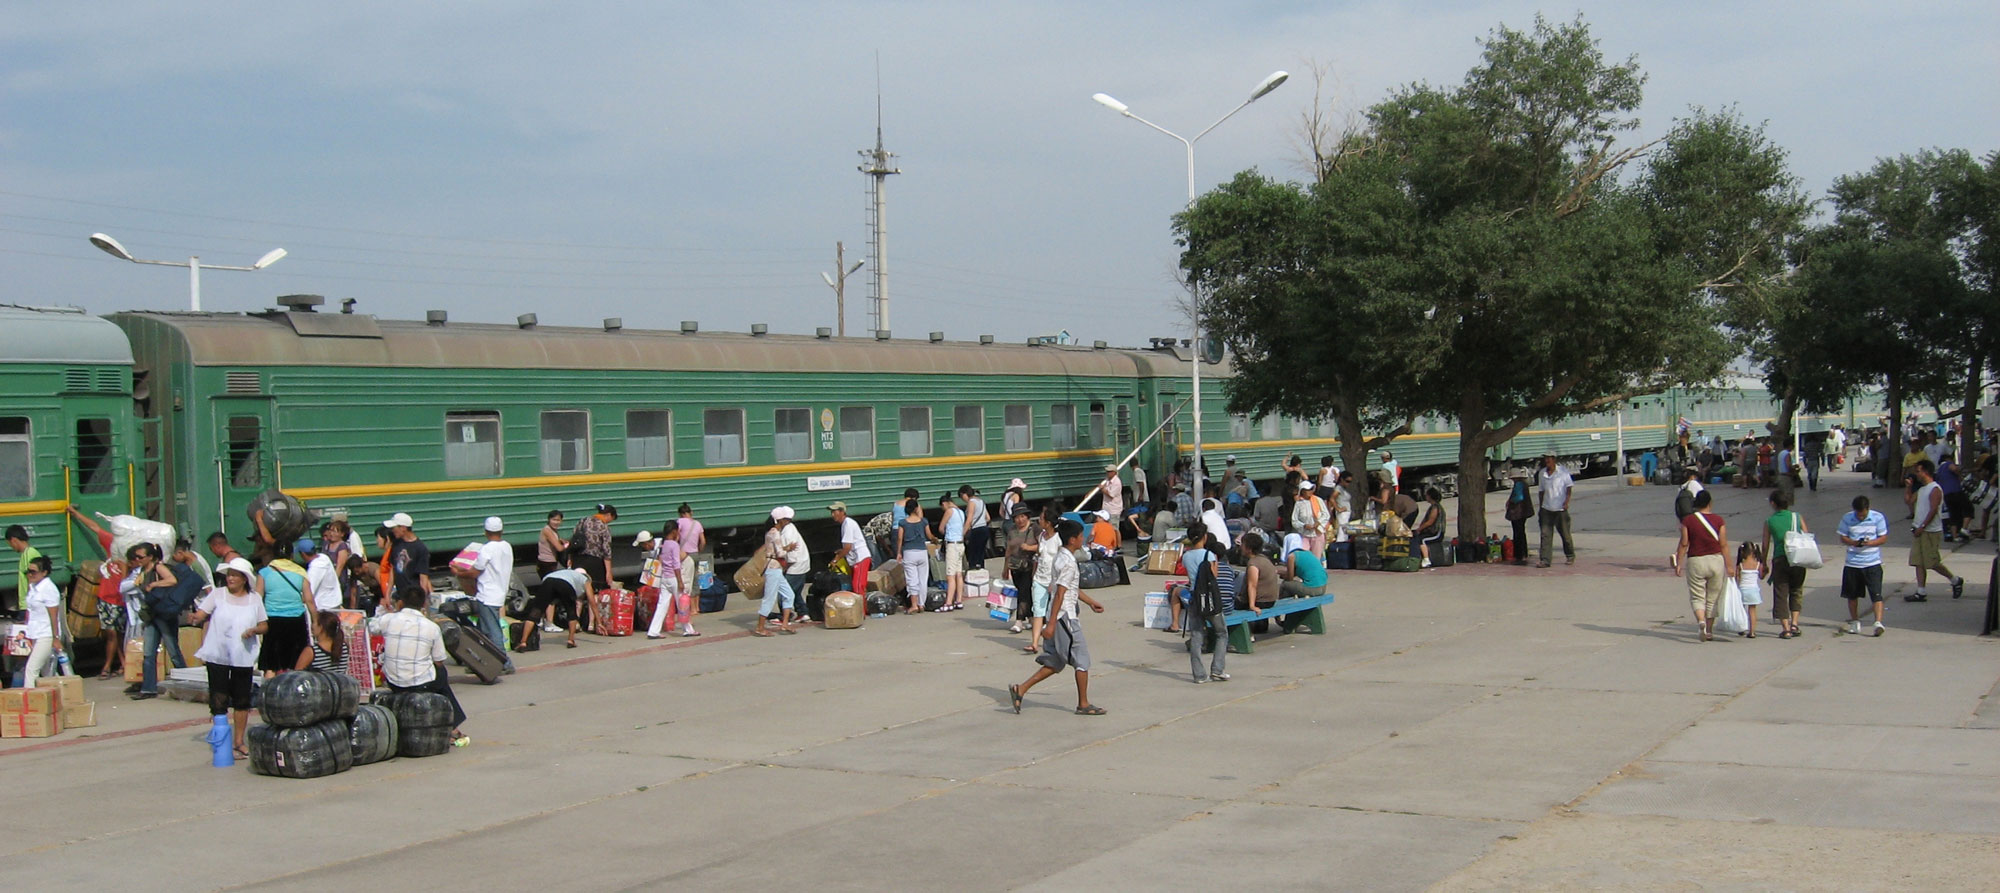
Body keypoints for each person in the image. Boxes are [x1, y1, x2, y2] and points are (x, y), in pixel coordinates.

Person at [1008, 519, 1106, 715]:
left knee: (1056, 661)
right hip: (1065, 617)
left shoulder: (1061, 557)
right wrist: (1051, 624)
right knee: (1082, 660)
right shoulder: (1069, 563)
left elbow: (1069, 588)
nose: (1082, 539)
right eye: (1080, 536)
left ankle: (1021, 689)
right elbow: (1061, 593)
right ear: (1072, 539)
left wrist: (1089, 601)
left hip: (1058, 614)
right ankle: (1083, 704)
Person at [368, 587, 469, 746]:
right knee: (441, 673)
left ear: (400, 603)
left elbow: (372, 627)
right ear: (423, 604)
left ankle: (452, 725)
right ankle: (452, 725)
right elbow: (439, 661)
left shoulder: (389, 619)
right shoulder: (431, 627)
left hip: (394, 682)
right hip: (421, 684)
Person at [190, 557, 266, 758]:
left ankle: (239, 741)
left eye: (235, 575)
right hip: (218, 654)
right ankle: (221, 742)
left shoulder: (254, 599)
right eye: (229, 575)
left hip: (243, 656)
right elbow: (201, 613)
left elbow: (264, 625)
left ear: (244, 579)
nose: (230, 578)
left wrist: (253, 630)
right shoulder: (218, 595)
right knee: (219, 698)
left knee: (242, 700)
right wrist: (195, 618)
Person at [65, 507, 128, 679]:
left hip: (119, 600)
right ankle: (122, 665)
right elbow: (95, 528)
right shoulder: (111, 545)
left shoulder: (131, 555)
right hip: (105, 598)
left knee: (115, 634)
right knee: (112, 633)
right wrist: (76, 514)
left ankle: (108, 667)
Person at [128, 541, 196, 700]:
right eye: (136, 557)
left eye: (140, 556)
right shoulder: (143, 571)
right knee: (149, 653)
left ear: (150, 557)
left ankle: (186, 683)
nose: (137, 559)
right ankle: (148, 689)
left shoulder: (158, 567)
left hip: (164, 614)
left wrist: (154, 584)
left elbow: (172, 580)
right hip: (152, 615)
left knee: (173, 651)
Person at [1171, 522, 1231, 685]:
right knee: (1221, 633)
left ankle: (1199, 674)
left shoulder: (1186, 556)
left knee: (1197, 636)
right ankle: (1217, 670)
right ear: (1204, 537)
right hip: (1210, 599)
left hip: (1194, 598)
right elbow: (1214, 576)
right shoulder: (1209, 555)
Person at [1673, 490, 1735, 642]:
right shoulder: (1719, 520)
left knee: (1697, 596)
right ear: (1710, 503)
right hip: (1716, 560)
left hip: (1696, 561)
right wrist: (1729, 565)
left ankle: (1701, 621)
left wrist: (1678, 563)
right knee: (1713, 598)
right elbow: (1724, 544)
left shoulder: (1688, 520)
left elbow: (1684, 543)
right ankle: (1709, 630)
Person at [459, 517, 516, 671]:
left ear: (485, 531)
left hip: (487, 595)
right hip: (499, 593)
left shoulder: (487, 549)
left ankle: (505, 662)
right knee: (482, 631)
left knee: (492, 630)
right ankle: (477, 662)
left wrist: (458, 572)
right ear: (501, 530)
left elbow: (475, 572)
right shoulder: (507, 547)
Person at [1905, 460, 1965, 601]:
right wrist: (1908, 488)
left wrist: (1923, 526)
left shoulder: (1935, 489)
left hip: (1930, 531)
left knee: (1932, 562)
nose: (1916, 474)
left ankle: (1955, 580)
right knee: (1918, 561)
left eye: (1918, 471)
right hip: (1918, 530)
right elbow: (1909, 501)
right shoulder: (1921, 489)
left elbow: (1933, 510)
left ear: (1926, 471)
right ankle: (1921, 591)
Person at [255, 543, 315, 679]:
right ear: (291, 555)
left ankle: (269, 693)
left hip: (272, 619)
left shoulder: (264, 572)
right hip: (296, 620)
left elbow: (257, 598)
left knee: (271, 663)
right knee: (296, 661)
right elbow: (309, 600)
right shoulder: (300, 572)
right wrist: (316, 620)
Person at [1836, 495, 1890, 636]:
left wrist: (1869, 543)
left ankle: (1878, 622)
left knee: (1876, 594)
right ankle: (1855, 621)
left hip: (1872, 562)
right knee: (1852, 595)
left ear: (1868, 509)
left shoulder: (1877, 518)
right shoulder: (1847, 518)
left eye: (1863, 514)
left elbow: (1883, 537)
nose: (1860, 517)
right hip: (1853, 563)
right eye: (1858, 514)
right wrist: (1853, 542)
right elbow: (1842, 537)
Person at [1759, 489, 1809, 639]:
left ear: (1773, 504)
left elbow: (1765, 544)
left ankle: (1786, 628)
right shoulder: (1797, 517)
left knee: (1781, 593)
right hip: (1797, 559)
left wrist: (1764, 562)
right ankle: (1794, 623)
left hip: (1780, 559)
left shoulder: (1769, 521)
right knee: (1796, 590)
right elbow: (1806, 535)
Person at [757, 507, 805, 635]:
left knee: (789, 594)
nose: (788, 522)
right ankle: (760, 627)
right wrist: (789, 548)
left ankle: (785, 624)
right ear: (781, 520)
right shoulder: (775, 533)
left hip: (776, 569)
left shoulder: (771, 532)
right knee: (769, 598)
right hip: (773, 569)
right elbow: (780, 552)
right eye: (786, 520)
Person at [18, 556, 64, 688]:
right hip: (35, 633)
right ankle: (63, 694)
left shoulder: (48, 589)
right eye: (28, 571)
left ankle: (30, 701)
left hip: (46, 634)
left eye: (34, 572)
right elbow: (30, 611)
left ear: (44, 573)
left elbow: (54, 616)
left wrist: (55, 638)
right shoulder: (33, 587)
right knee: (47, 671)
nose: (30, 574)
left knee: (31, 669)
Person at [643, 527, 694, 639]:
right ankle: (688, 629)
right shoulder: (673, 545)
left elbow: (661, 561)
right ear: (674, 532)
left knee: (662, 605)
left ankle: (653, 631)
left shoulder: (663, 544)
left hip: (664, 578)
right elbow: (676, 564)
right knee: (682, 603)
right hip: (673, 578)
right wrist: (680, 581)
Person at [535, 561, 590, 649]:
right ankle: (571, 640)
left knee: (537, 610)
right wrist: (598, 622)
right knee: (571, 612)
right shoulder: (583, 579)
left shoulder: (565, 572)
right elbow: (591, 601)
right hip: (565, 586)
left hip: (547, 580)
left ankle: (524, 641)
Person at [1027, 506, 1060, 650]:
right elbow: (1038, 557)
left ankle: (1057, 640)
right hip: (1039, 579)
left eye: (1041, 519)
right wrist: (1034, 575)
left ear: (1048, 523)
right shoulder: (1041, 536)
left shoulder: (1059, 539)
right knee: (1038, 611)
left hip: (1054, 580)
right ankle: (1034, 643)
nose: (1039, 521)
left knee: (1054, 611)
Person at [894, 499, 935, 615]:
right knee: (923, 579)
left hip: (909, 552)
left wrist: (898, 552)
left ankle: (914, 605)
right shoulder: (923, 521)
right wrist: (935, 540)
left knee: (912, 579)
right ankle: (922, 604)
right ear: (917, 508)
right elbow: (929, 535)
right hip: (922, 552)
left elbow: (900, 538)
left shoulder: (903, 522)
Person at [1535, 454, 1577, 567]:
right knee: (1545, 535)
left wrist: (1566, 502)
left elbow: (1569, 487)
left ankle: (1570, 555)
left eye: (1549, 458)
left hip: (1560, 509)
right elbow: (1541, 491)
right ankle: (1545, 559)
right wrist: (1541, 507)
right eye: (1546, 459)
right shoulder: (1542, 473)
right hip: (1546, 508)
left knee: (1565, 534)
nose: (1547, 461)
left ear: (1554, 460)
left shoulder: (1563, 472)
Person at [1003, 505, 1039, 635]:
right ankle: (1031, 618)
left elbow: (1043, 545)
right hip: (1015, 566)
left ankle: (1019, 621)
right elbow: (1009, 550)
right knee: (1024, 592)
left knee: (1023, 592)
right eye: (1017, 517)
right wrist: (1005, 568)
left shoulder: (1034, 528)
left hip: (1030, 566)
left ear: (1027, 516)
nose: (1020, 520)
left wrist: (1029, 548)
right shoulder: (1012, 531)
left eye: (1022, 516)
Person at [382, 512, 431, 606]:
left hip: (413, 595)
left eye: (394, 528)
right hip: (400, 594)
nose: (392, 530)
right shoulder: (396, 544)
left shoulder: (420, 548)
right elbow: (393, 569)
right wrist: (387, 594)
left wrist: (423, 600)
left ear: (403, 528)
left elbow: (423, 577)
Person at [571, 504, 616, 592]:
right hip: (594, 562)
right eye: (612, 519)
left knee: (578, 589)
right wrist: (609, 572)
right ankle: (593, 605)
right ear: (609, 515)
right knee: (595, 589)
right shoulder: (604, 527)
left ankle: (578, 606)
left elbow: (573, 539)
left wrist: (570, 557)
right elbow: (606, 550)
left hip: (578, 559)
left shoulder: (583, 521)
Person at [830, 502, 871, 596]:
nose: (832, 515)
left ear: (842, 512)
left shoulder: (848, 524)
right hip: (856, 559)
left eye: (834, 511)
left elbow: (847, 547)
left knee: (858, 586)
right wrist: (841, 551)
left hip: (860, 558)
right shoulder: (845, 523)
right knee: (856, 586)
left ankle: (861, 610)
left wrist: (836, 560)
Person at [938, 493, 967, 612]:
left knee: (950, 576)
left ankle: (948, 602)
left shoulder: (949, 511)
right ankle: (958, 600)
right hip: (960, 544)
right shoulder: (961, 512)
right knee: (959, 574)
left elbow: (941, 528)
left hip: (952, 545)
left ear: (944, 503)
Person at [1239, 532, 1282, 611]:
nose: (1240, 546)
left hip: (1260, 602)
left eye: (1242, 544)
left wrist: (1252, 606)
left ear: (1249, 549)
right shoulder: (1265, 559)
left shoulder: (1253, 564)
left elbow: (1252, 586)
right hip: (1271, 600)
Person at [672, 503, 707, 597]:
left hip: (685, 555)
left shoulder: (680, 521)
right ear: (691, 512)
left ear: (681, 514)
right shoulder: (697, 523)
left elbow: (676, 537)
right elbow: (703, 541)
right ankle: (696, 607)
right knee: (695, 580)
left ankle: (687, 605)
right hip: (695, 553)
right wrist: (698, 551)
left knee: (685, 580)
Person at [1278, 533, 1328, 598]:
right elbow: (1299, 572)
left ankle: (1283, 605)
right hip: (1323, 587)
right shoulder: (1308, 553)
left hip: (1313, 588)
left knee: (1285, 585)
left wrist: (1283, 575)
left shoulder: (1291, 557)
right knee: (1292, 586)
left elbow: (1290, 579)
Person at [7, 523, 42, 614]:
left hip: (28, 605)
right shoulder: (29, 553)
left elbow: (31, 579)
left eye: (10, 544)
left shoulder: (28, 554)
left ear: (14, 540)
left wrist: (29, 604)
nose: (11, 547)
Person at [300, 538, 340, 615]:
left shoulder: (315, 568)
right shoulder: (324, 557)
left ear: (303, 554)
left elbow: (308, 593)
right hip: (333, 602)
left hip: (324, 608)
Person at [1291, 480, 1327, 561]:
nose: (1310, 491)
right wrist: (1303, 526)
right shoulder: (1299, 504)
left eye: (1311, 489)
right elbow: (1294, 520)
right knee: (1304, 555)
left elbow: (1326, 515)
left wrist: (1318, 523)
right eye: (1308, 490)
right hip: (1305, 534)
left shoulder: (1318, 500)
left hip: (1317, 533)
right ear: (1303, 491)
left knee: (1316, 558)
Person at [1504, 472, 1534, 565]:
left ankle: (1519, 556)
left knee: (1518, 534)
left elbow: (1518, 497)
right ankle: (1524, 554)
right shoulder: (1524, 484)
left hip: (1518, 513)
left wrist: (1510, 502)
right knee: (1521, 533)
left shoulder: (1519, 484)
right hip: (1523, 512)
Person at [1735, 542, 1765, 638]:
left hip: (1743, 590)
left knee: (1742, 610)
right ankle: (1752, 632)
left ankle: (1742, 628)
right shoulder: (1757, 564)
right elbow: (1761, 576)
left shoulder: (1741, 565)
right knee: (1752, 611)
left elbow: (1737, 578)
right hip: (1754, 590)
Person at [960, 485, 991, 573]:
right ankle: (982, 573)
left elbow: (969, 519)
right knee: (981, 554)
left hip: (976, 530)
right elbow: (988, 518)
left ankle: (974, 575)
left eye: (962, 497)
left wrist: (963, 533)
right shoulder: (981, 501)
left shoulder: (971, 502)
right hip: (984, 529)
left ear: (964, 494)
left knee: (973, 554)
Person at [1414, 487, 1446, 569]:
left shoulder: (1436, 507)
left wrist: (1419, 529)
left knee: (1422, 540)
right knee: (1416, 538)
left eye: (1427, 495)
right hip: (1431, 532)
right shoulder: (1432, 507)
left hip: (1436, 533)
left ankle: (1426, 559)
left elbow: (1430, 522)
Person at [536, 510, 568, 578]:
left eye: (558, 520)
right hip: (546, 563)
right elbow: (559, 548)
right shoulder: (547, 530)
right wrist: (567, 545)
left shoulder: (553, 530)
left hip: (551, 562)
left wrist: (561, 540)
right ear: (549, 520)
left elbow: (555, 540)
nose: (556, 522)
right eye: (554, 520)